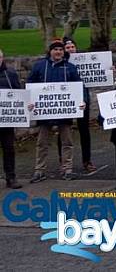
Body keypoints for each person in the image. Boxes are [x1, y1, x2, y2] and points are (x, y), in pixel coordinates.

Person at [28, 40, 85, 183]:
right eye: (55, 49)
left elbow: (79, 86)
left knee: (67, 142)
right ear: (50, 51)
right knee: (42, 142)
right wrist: (29, 101)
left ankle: (67, 169)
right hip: (44, 111)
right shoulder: (40, 66)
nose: (58, 52)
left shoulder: (70, 67)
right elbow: (30, 84)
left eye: (60, 49)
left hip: (64, 111)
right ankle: (39, 170)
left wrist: (82, 100)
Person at [60, 38, 98, 176]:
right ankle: (63, 161)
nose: (70, 49)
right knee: (63, 130)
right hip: (66, 101)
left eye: (72, 46)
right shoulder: (61, 63)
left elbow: (98, 71)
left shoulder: (84, 61)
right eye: (68, 47)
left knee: (84, 131)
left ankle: (87, 161)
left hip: (83, 99)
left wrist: (108, 71)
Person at [0, 49, 23, 189]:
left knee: (9, 148)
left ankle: (11, 177)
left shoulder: (10, 74)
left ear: (2, 58)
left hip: (7, 120)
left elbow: (19, 94)